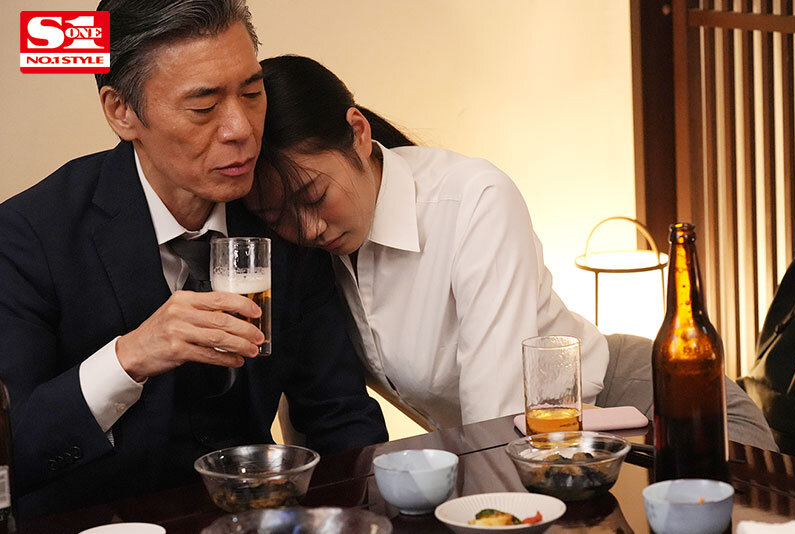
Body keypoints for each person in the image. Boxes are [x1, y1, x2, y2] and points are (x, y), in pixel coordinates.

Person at [0, 3, 386, 519]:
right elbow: (13, 452)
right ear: (121, 111)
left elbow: (340, 416)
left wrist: (367, 515)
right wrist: (129, 357)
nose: (241, 129)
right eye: (204, 107)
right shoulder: (29, 234)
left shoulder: (280, 215)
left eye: (253, 93)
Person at [247, 55, 610, 431]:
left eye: (314, 196)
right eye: (277, 216)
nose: (308, 229)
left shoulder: (476, 201)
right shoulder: (303, 256)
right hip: (508, 443)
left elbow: (494, 420)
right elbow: (313, 398)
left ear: (358, 133)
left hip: (603, 411)